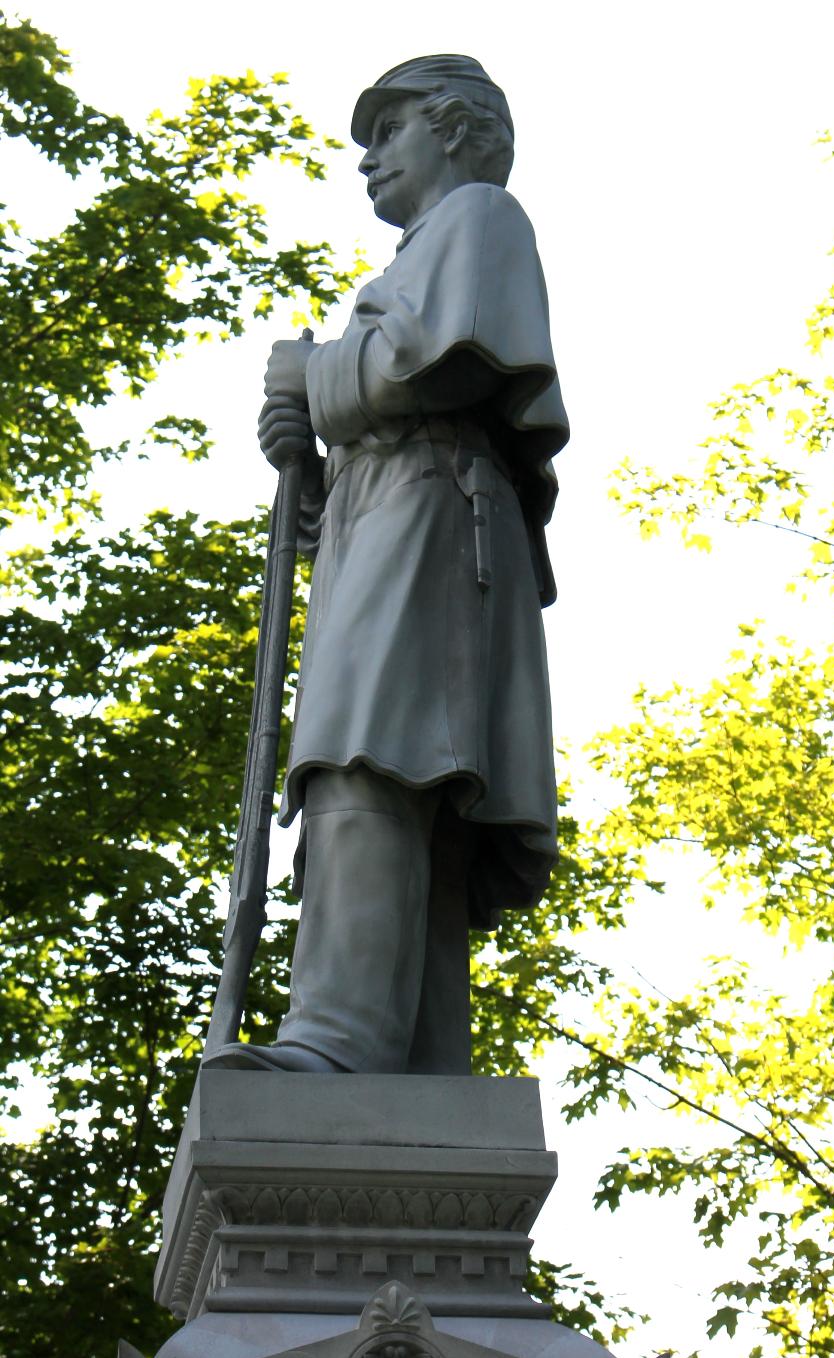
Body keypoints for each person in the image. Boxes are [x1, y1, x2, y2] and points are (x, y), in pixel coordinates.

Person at [206, 55, 568, 1076]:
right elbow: (387, 405)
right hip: (397, 510)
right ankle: (413, 1053)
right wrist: (304, 458)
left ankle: (340, 1038)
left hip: (432, 509)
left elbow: (440, 358)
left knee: (370, 752)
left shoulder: (479, 220)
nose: (367, 155)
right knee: (392, 768)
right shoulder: (420, 251)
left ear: (456, 130)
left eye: (390, 127)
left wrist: (315, 376)